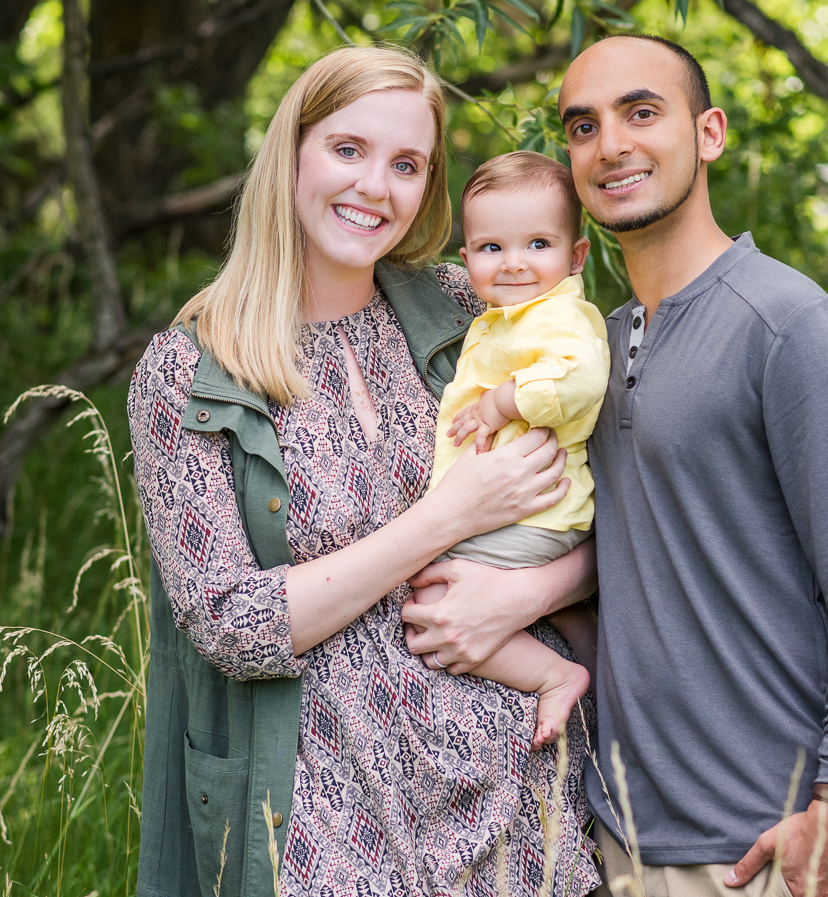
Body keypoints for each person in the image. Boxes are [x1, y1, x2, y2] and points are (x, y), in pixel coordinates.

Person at [127, 45, 600, 897]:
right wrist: (445, 517)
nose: (375, 187)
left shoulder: (472, 306)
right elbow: (234, 624)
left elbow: (619, 501)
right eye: (348, 150)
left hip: (522, 807)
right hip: (330, 833)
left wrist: (536, 591)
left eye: (407, 164)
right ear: (293, 152)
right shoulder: (190, 373)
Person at [558, 35, 828, 897]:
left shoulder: (788, 324)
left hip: (773, 849)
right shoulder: (588, 353)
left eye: (641, 113)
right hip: (623, 839)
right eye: (583, 126)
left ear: (709, 132)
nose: (610, 145)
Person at [412, 150, 608, 750]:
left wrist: (502, 403)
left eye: (538, 245)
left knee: (432, 589)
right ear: (466, 259)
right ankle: (593, 652)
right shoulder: (505, 318)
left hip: (535, 509)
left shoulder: (558, 318)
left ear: (575, 256)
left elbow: (582, 379)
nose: (515, 263)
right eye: (493, 248)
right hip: (533, 509)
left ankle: (555, 674)